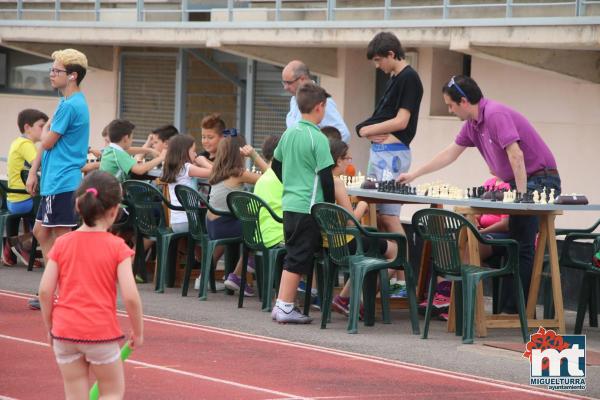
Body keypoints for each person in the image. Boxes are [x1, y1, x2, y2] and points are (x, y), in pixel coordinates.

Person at [398, 75, 561, 314]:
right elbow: (450, 154)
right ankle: (510, 310)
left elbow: (516, 155)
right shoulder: (473, 125)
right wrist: (414, 174)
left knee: (523, 245)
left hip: (540, 180)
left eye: (451, 105)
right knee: (516, 243)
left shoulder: (495, 114)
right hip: (521, 182)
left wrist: (522, 197)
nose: (449, 109)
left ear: (463, 101)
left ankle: (515, 311)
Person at [38, 171, 143, 400]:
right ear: (114, 211)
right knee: (112, 392)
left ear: (78, 205)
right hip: (100, 334)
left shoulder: (62, 243)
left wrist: (49, 327)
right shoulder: (118, 247)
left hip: (65, 332)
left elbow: (45, 291)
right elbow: (131, 296)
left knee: (75, 395)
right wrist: (138, 330)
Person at [25, 49, 90, 310]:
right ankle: (58, 288)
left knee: (63, 240)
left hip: (63, 181)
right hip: (54, 179)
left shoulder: (72, 105)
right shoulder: (65, 103)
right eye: (51, 70)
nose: (51, 74)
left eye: (56, 71)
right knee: (40, 231)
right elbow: (46, 138)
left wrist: (48, 128)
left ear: (72, 75)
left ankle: (67, 293)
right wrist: (33, 171)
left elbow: (47, 139)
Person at [270, 82, 335, 324]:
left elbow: (275, 165)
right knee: (298, 257)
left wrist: (291, 183)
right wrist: (329, 208)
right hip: (309, 207)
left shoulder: (289, 133)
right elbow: (327, 178)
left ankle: (281, 305)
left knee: (294, 254)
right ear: (319, 107)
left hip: (290, 203)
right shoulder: (317, 138)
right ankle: (286, 306)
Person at [356, 31, 423, 237]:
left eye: (379, 60)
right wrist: (363, 130)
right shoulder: (395, 78)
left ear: (391, 54)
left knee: (388, 216)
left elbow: (402, 121)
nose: (378, 66)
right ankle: (392, 267)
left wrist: (366, 130)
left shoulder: (409, 78)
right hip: (381, 153)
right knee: (378, 215)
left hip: (393, 154)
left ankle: (402, 268)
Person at [326, 139, 398, 316]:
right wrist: (363, 204)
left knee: (370, 242)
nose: (350, 162)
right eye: (347, 158)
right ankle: (363, 301)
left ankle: (344, 299)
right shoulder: (337, 183)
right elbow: (351, 221)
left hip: (328, 242)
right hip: (345, 243)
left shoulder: (319, 178)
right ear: (338, 160)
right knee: (395, 250)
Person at [207, 135, 267, 296]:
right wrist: (255, 155)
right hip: (224, 226)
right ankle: (243, 269)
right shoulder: (239, 173)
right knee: (261, 228)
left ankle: (240, 272)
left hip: (212, 225)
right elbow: (271, 178)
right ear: (239, 153)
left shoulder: (218, 172)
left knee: (251, 224)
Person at [4, 109, 48, 267]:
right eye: (41, 126)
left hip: (14, 198)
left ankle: (13, 245)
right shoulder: (25, 144)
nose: (45, 130)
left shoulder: (17, 142)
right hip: (24, 199)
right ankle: (21, 244)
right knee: (52, 213)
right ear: (27, 127)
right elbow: (42, 163)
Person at [282, 60, 350, 143]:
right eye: (284, 83)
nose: (285, 87)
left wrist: (320, 152)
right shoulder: (294, 100)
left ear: (302, 79)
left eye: (289, 83)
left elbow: (343, 134)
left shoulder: (321, 100)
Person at [160, 134, 211, 233]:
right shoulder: (187, 168)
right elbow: (215, 173)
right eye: (193, 151)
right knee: (213, 223)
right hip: (190, 221)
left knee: (193, 244)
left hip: (176, 223)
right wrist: (204, 162)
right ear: (184, 152)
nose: (196, 154)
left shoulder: (172, 168)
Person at [99, 119, 166, 182]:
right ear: (126, 138)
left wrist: (149, 150)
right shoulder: (119, 154)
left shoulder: (110, 149)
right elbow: (140, 170)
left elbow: (129, 150)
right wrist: (161, 158)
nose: (132, 141)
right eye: (131, 138)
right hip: (114, 192)